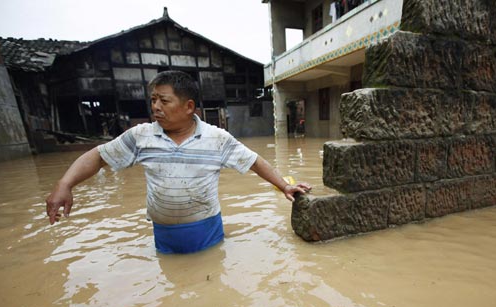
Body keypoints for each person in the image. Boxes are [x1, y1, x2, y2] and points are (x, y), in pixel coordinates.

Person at [45, 70, 311, 254]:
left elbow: (254, 161)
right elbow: (98, 156)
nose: (156, 107)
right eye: (153, 100)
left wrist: (284, 186)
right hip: (164, 233)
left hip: (206, 231)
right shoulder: (141, 136)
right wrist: (65, 183)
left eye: (164, 100)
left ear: (188, 107)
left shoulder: (216, 138)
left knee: (210, 276)